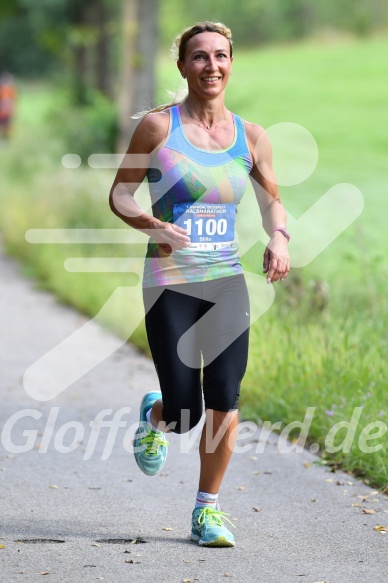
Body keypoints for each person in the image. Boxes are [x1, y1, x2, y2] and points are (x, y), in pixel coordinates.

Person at [109, 21, 290, 547]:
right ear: (183, 65)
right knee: (185, 411)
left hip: (226, 282)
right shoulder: (157, 129)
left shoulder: (251, 137)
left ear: (231, 63)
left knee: (226, 397)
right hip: (169, 283)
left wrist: (279, 238)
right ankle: (156, 413)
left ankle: (206, 511)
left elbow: (272, 200)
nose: (211, 66)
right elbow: (120, 194)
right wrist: (155, 225)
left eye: (221, 56)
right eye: (199, 57)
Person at [0, 73, 16, 139]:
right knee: (4, 123)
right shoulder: (3, 89)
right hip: (3, 109)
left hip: (7, 109)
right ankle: (5, 137)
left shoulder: (11, 89)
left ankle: (6, 137)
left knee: (6, 124)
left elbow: (13, 100)